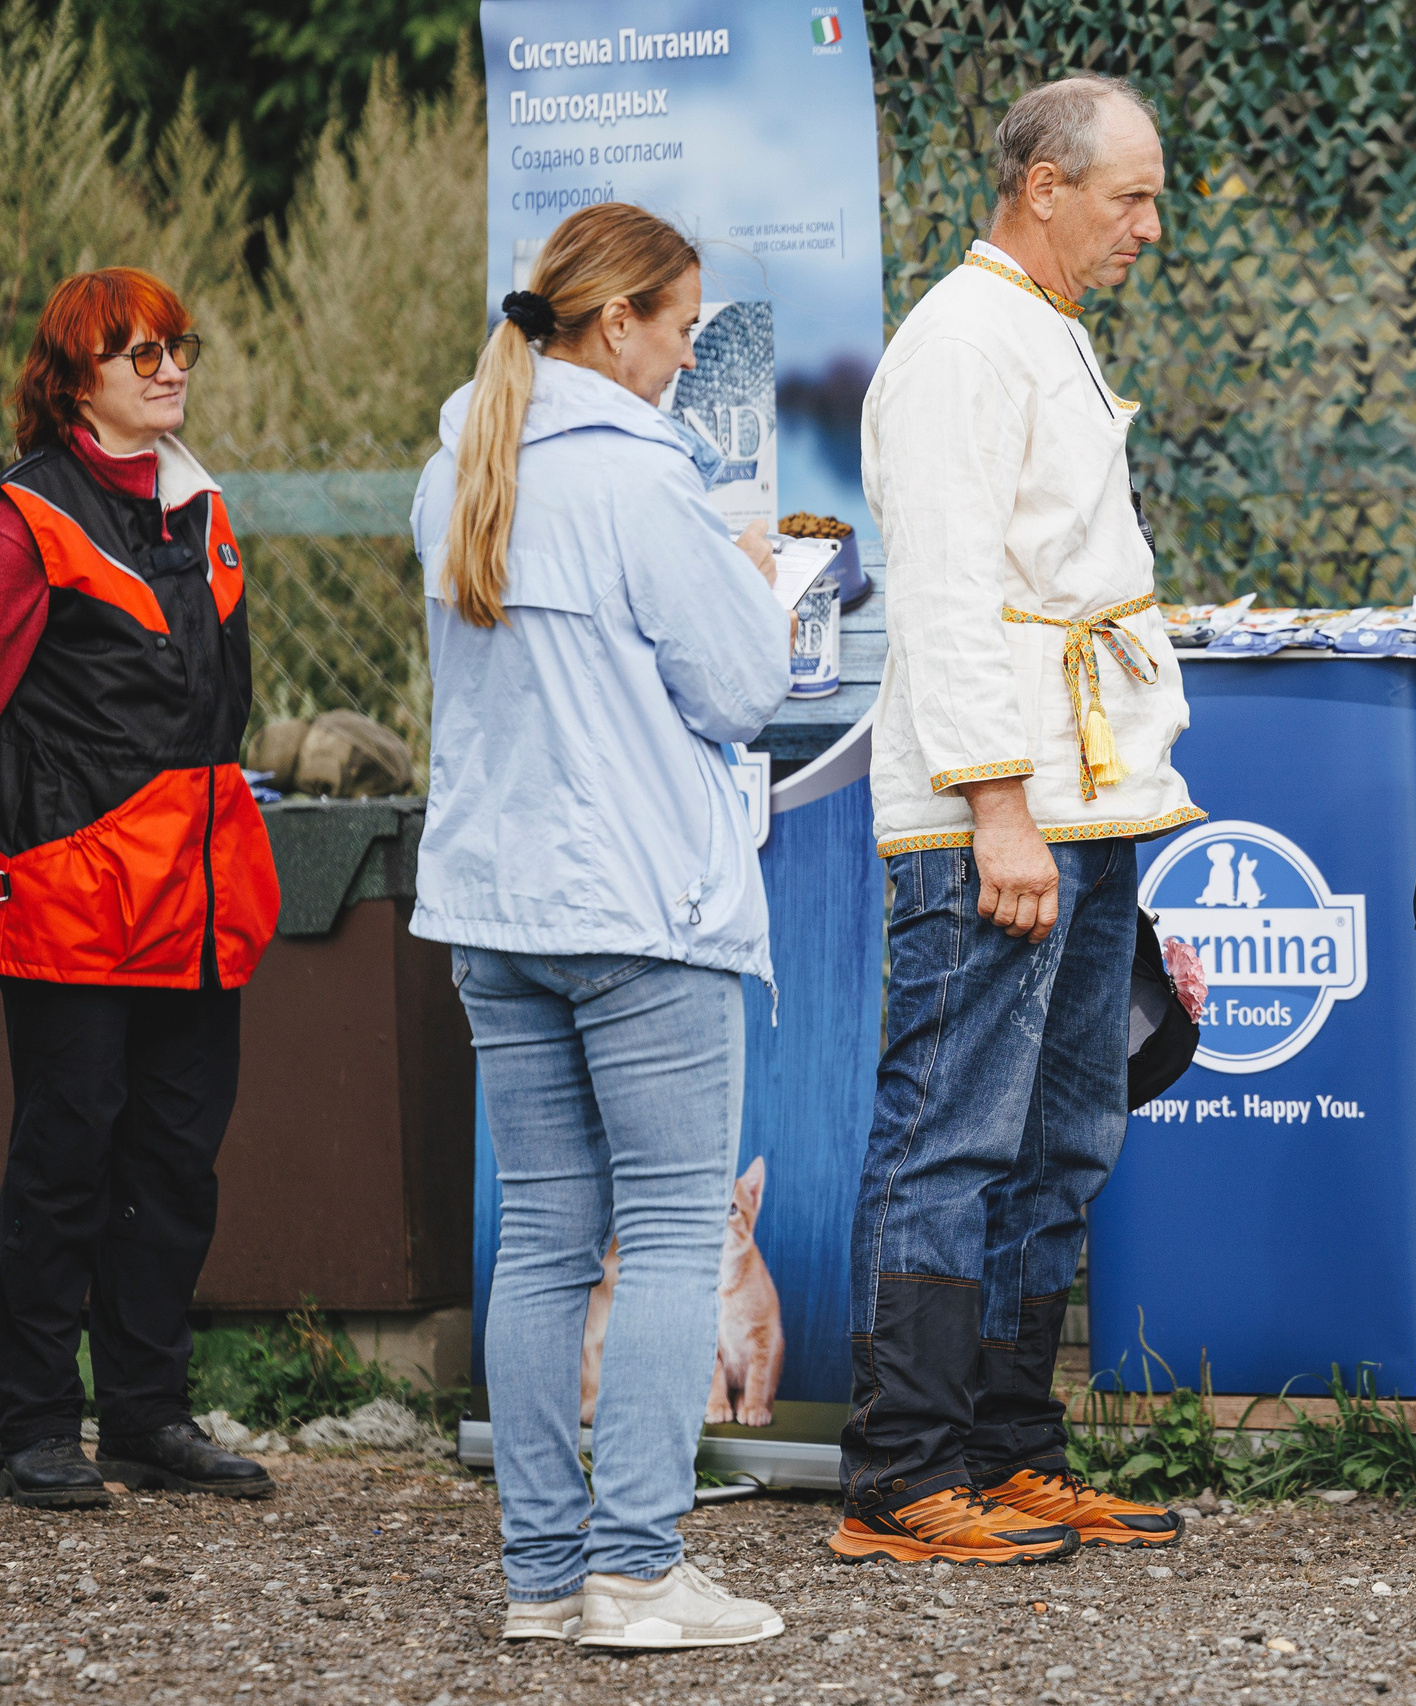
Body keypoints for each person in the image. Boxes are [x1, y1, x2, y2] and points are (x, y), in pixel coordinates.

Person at [833, 74, 1201, 1567]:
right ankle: (899, 1472)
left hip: (1079, 803)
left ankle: (1006, 1445)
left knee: (1061, 1133)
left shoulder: (1038, 329)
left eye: (1155, 198)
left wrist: (1081, 806)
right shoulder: (955, 345)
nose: (1148, 228)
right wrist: (998, 805)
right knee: (950, 1133)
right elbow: (938, 587)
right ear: (1041, 184)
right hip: (995, 813)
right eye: (1129, 197)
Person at [411, 202, 791, 1644]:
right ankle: (637, 1568)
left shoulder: (457, 469)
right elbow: (745, 690)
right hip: (642, 905)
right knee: (677, 1229)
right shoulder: (645, 485)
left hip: (496, 909)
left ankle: (542, 1578)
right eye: (683, 330)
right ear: (617, 320)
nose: (690, 360)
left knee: (549, 1237)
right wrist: (756, 585)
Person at [0, 268, 279, 1508]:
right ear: (75, 378)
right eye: (138, 350)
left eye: (180, 345)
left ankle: (147, 1416)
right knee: (64, 1160)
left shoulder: (201, 504)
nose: (170, 367)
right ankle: (31, 1423)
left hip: (202, 901)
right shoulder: (23, 517)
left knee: (175, 1162)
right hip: (73, 898)